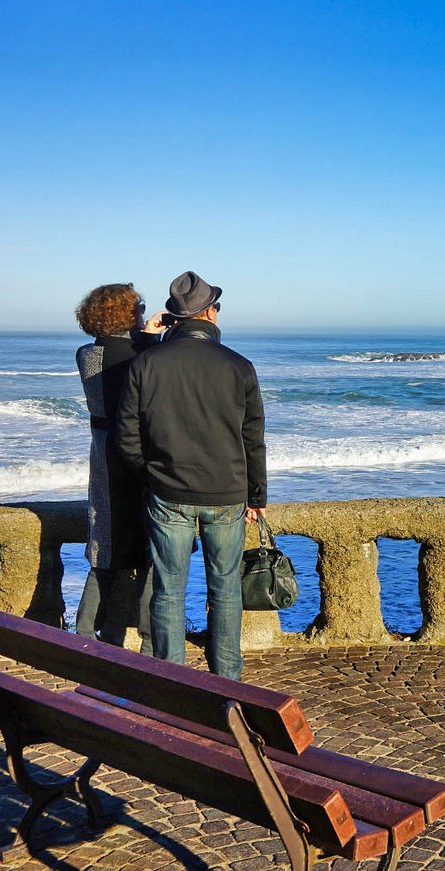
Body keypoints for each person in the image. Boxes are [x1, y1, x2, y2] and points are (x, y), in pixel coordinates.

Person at [116, 271, 267, 679]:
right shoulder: (239, 366)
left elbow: (127, 436)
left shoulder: (147, 363)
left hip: (168, 493)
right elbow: (253, 439)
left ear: (176, 319)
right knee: (225, 589)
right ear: (210, 314)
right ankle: (227, 681)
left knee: (169, 591)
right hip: (227, 493)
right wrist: (256, 497)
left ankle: (173, 683)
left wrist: (150, 478)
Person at [73, 283, 165, 651]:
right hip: (135, 454)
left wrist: (145, 338)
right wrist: (153, 340)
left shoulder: (86, 354)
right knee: (149, 545)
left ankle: (88, 632)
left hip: (102, 453)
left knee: (106, 546)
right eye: (139, 306)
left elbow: (119, 357)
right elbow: (142, 372)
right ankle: (148, 639)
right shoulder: (137, 354)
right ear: (125, 313)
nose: (142, 310)